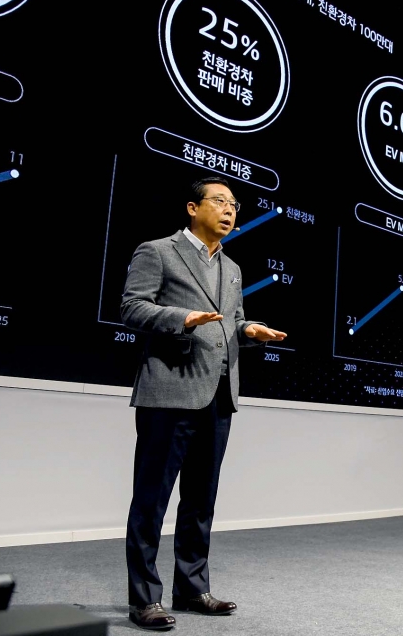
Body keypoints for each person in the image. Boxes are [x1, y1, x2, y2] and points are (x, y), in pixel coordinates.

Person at [121, 177, 286, 630]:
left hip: (218, 395)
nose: (229, 210)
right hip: (169, 391)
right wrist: (183, 318)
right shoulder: (158, 251)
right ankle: (144, 599)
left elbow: (232, 321)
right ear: (193, 208)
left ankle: (192, 589)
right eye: (220, 201)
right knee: (151, 500)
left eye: (234, 204)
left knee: (200, 501)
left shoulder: (232, 268)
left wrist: (249, 331)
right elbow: (132, 307)